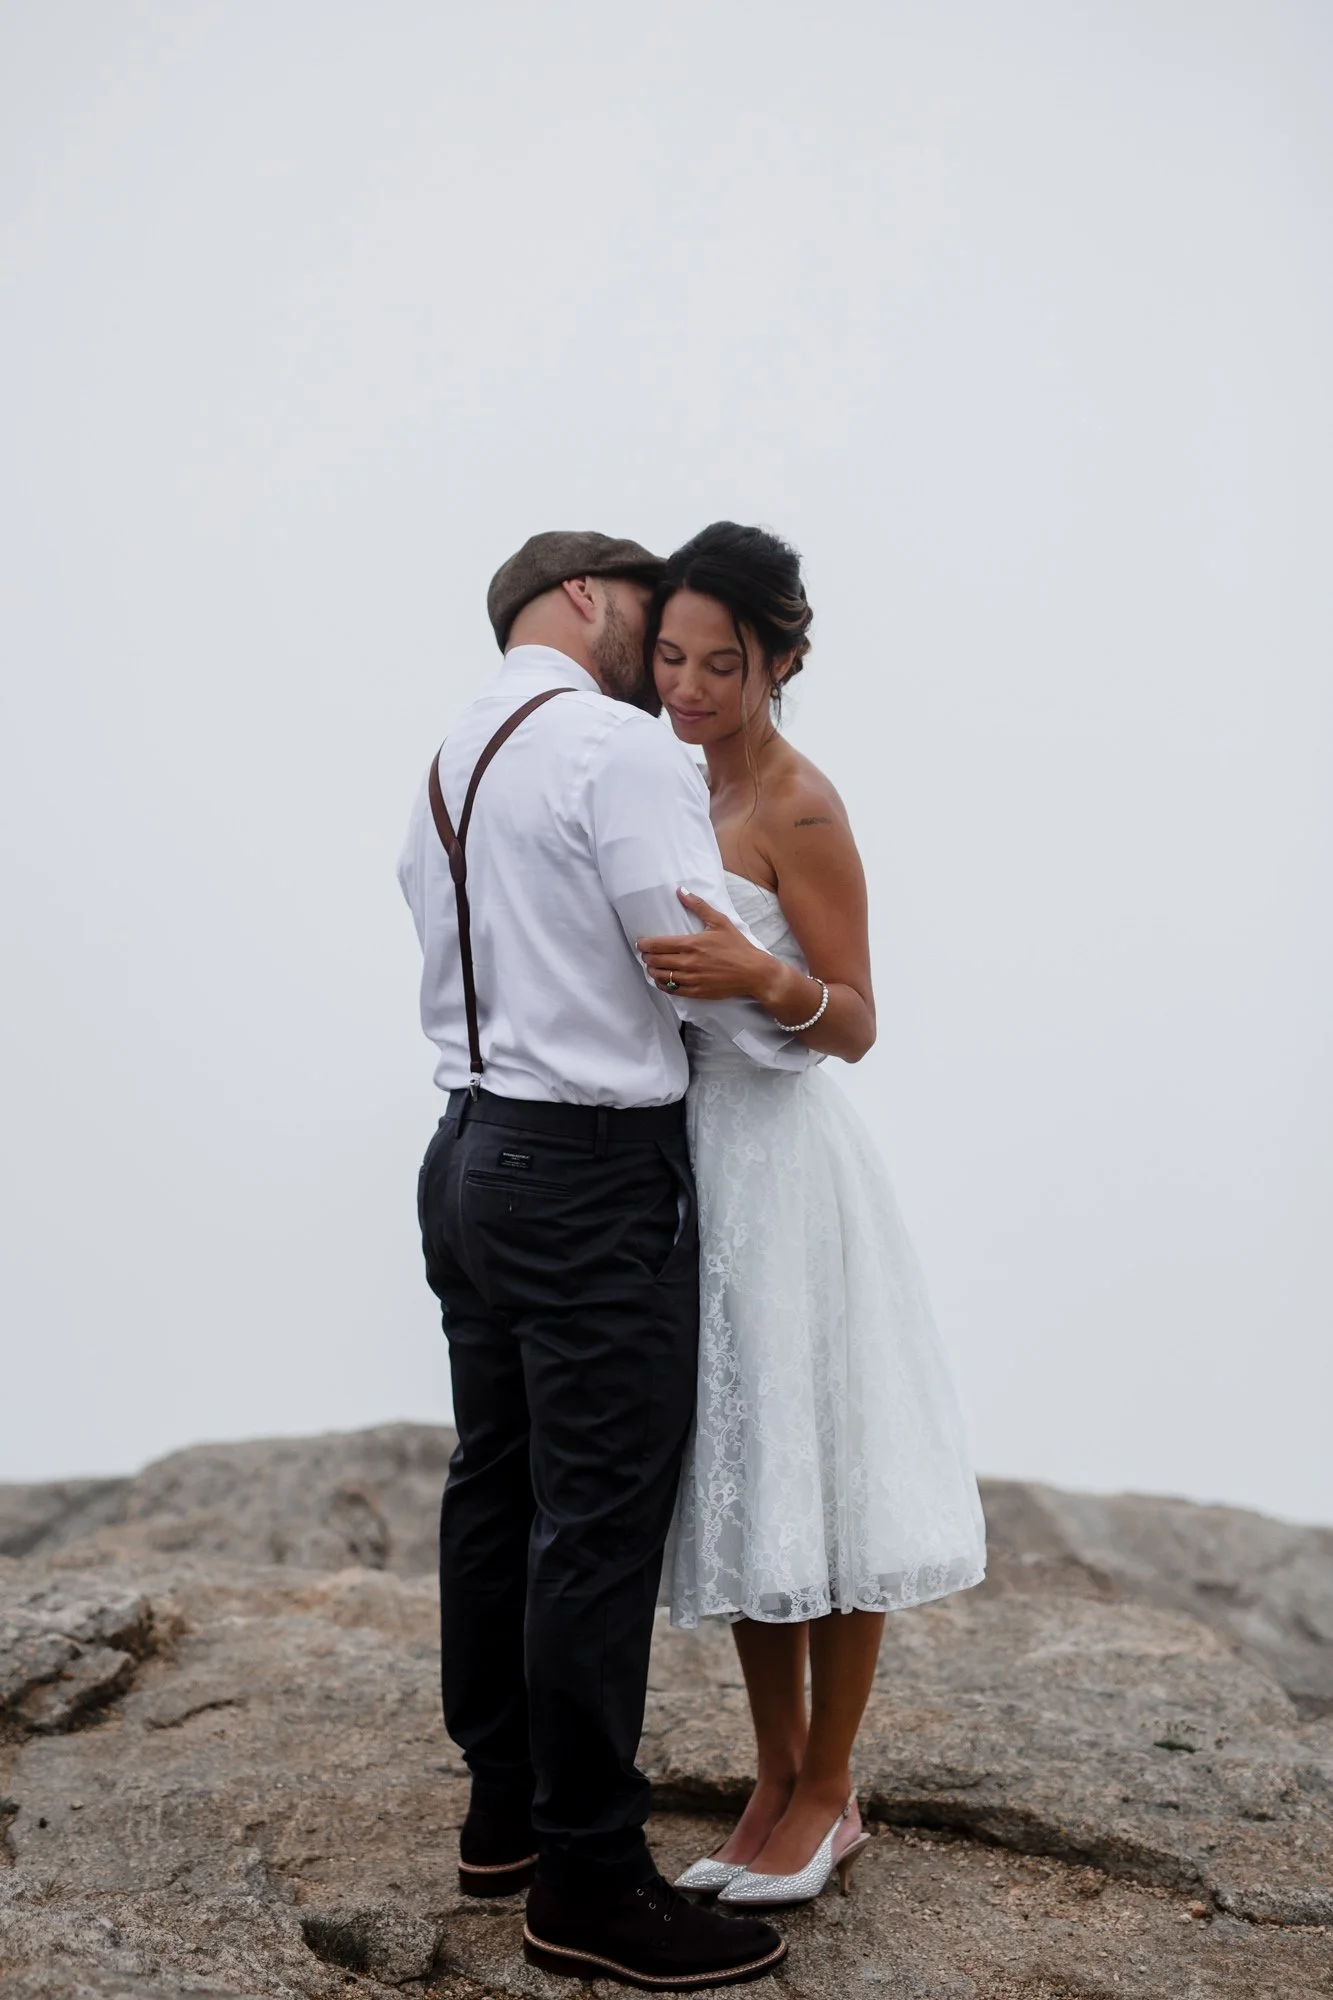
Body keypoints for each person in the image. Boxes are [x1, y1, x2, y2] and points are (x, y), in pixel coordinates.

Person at [398, 530, 821, 1989]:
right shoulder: (615, 745)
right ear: (585, 595)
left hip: (467, 1149)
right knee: (594, 1525)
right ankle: (587, 1879)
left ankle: (504, 1814)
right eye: (651, 612)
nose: (665, 660)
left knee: (495, 1484)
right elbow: (685, 956)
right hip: (583, 1171)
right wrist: (798, 1021)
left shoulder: (453, 753)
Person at [635, 522, 987, 1910]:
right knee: (750, 1477)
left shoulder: (801, 807)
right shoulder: (668, 784)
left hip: (790, 1167)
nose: (689, 686)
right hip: (697, 1165)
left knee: (827, 1473)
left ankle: (831, 1789)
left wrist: (753, 976)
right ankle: (772, 1780)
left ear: (780, 660)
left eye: (721, 664)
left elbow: (855, 1020)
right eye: (671, 657)